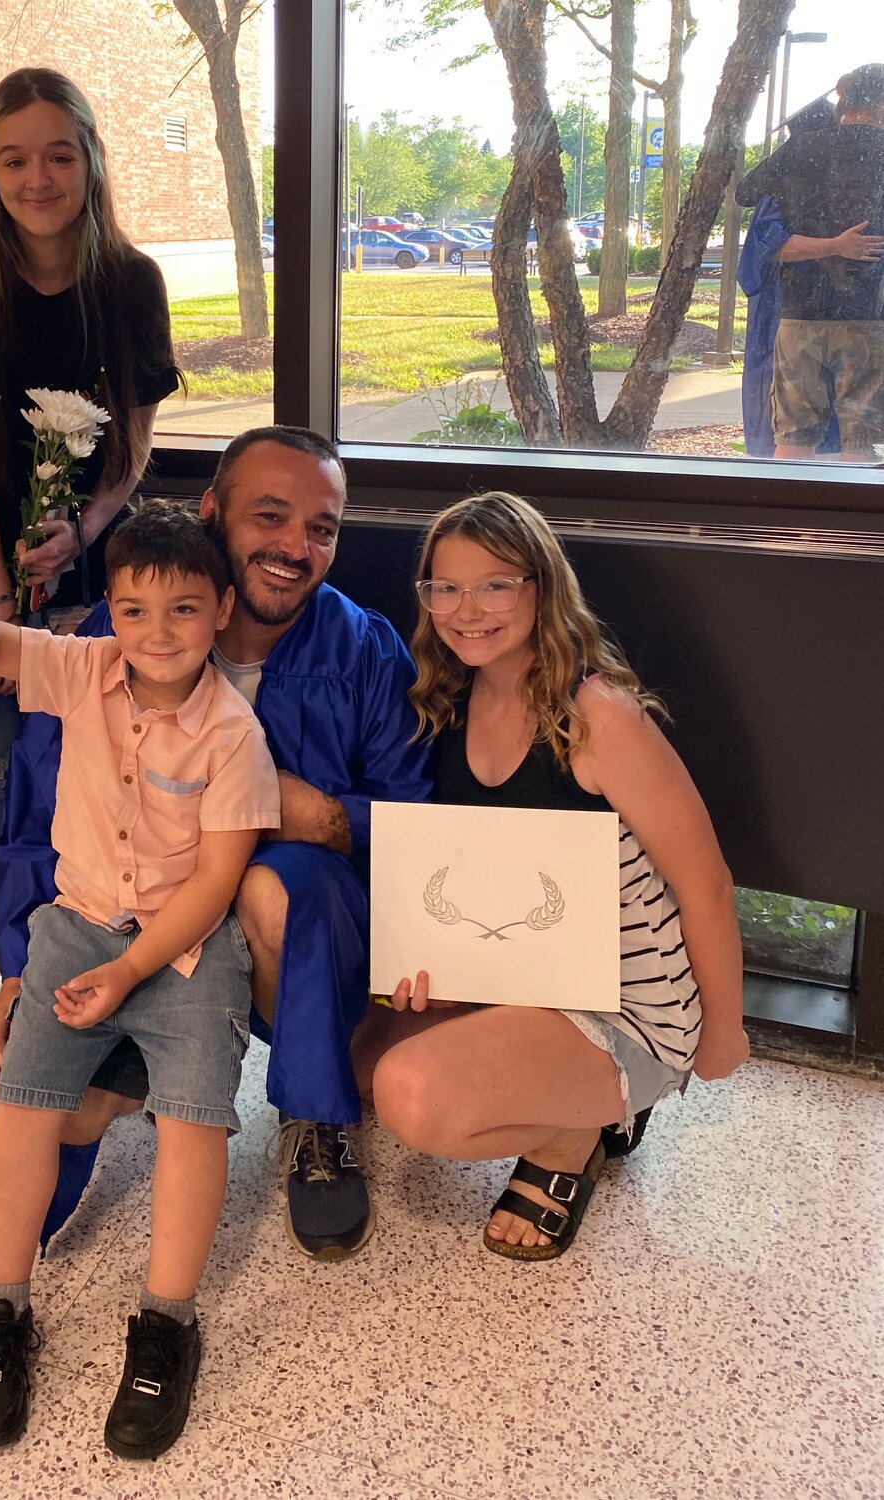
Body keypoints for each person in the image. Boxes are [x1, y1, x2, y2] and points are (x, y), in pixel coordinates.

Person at [0, 427, 434, 1263]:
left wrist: (321, 816)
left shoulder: (364, 651)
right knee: (48, 1082)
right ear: (211, 512)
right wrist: (16, 971)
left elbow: (415, 825)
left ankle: (314, 1112)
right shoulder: (107, 650)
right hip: (129, 920)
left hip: (293, 940)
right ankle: (113, 1084)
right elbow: (36, 815)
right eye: (270, 516)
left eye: (322, 528)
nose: (295, 548)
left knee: (276, 882)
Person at [0, 508, 278, 1458]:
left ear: (221, 612)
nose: (156, 633)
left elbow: (214, 883)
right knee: (23, 1109)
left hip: (186, 948)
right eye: (132, 609)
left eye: (182, 610)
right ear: (110, 614)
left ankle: (167, 1321)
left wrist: (129, 971)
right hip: (77, 928)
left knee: (195, 1121)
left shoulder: (233, 733)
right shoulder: (85, 669)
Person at [357, 491, 750, 1260]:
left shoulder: (596, 714)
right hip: (526, 976)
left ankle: (576, 1135)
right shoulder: (447, 700)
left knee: (413, 1096)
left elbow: (707, 885)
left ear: (541, 587)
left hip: (628, 1001)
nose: (465, 608)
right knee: (362, 1062)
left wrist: (723, 1034)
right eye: (445, 587)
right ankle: (579, 1101)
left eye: (494, 584)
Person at [0, 67, 181, 1096]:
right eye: (14, 158)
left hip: (83, 549)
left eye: (58, 155)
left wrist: (83, 531)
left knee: (94, 725)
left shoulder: (132, 283)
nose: (38, 177)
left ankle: (98, 959)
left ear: (91, 162)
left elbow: (135, 449)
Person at [737, 64, 884, 461]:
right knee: (863, 437)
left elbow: (745, 192)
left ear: (842, 98)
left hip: (799, 317)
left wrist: (798, 186)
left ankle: (789, 521)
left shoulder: (803, 148)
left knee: (795, 432)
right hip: (869, 317)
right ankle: (851, 523)